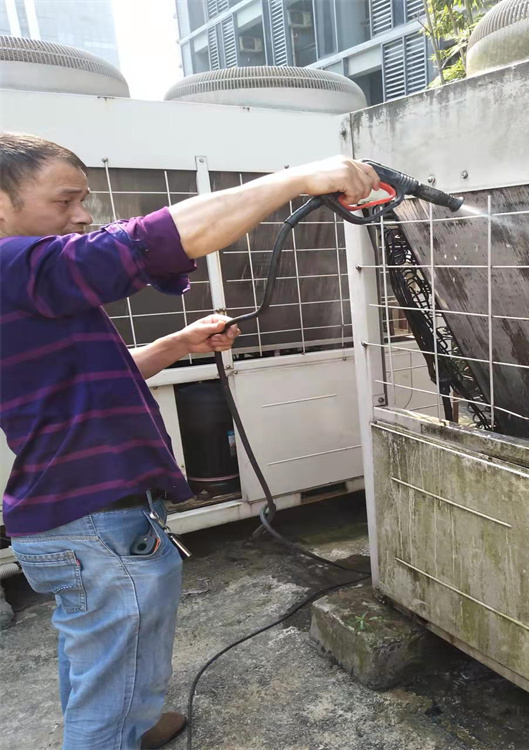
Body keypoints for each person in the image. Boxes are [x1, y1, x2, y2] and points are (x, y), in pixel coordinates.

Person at [0, 132, 379, 750]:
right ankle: (113, 731)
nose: (82, 215)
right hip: (91, 522)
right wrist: (292, 180)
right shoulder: (12, 265)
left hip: (77, 522)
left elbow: (82, 379)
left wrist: (177, 344)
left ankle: (135, 724)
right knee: (110, 667)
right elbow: (148, 242)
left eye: (84, 200)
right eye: (65, 200)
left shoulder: (25, 289)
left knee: (102, 652)